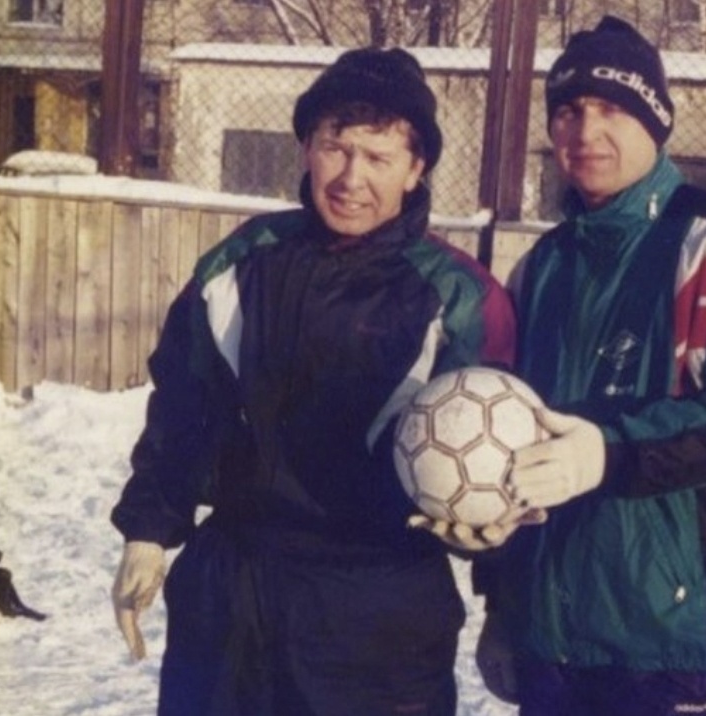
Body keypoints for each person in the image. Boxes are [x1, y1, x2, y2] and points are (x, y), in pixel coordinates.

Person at [109, 47, 516, 716]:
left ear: (416, 170)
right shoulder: (241, 262)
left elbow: (492, 443)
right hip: (232, 593)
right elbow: (182, 406)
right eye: (336, 146)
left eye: (379, 158)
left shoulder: (459, 296)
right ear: (306, 147)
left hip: (376, 613)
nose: (351, 177)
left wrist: (491, 557)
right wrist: (148, 531)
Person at [468, 15, 706, 716]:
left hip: (671, 644)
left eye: (611, 109)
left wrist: (607, 452)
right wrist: (499, 592)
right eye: (567, 110)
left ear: (655, 121)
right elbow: (505, 429)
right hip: (553, 639)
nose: (584, 131)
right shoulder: (542, 267)